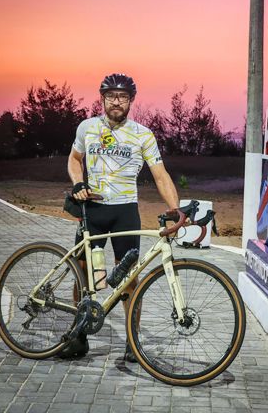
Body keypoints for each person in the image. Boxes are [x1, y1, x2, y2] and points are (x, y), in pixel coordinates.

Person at [60, 73, 179, 360]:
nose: (116, 101)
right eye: (111, 96)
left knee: (128, 279)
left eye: (123, 97)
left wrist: (175, 209)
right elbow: (74, 159)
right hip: (93, 210)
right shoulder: (87, 127)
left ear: (131, 101)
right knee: (85, 275)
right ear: (102, 99)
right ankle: (78, 337)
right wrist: (78, 183)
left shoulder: (143, 134)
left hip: (125, 211)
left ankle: (132, 343)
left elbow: (160, 175)